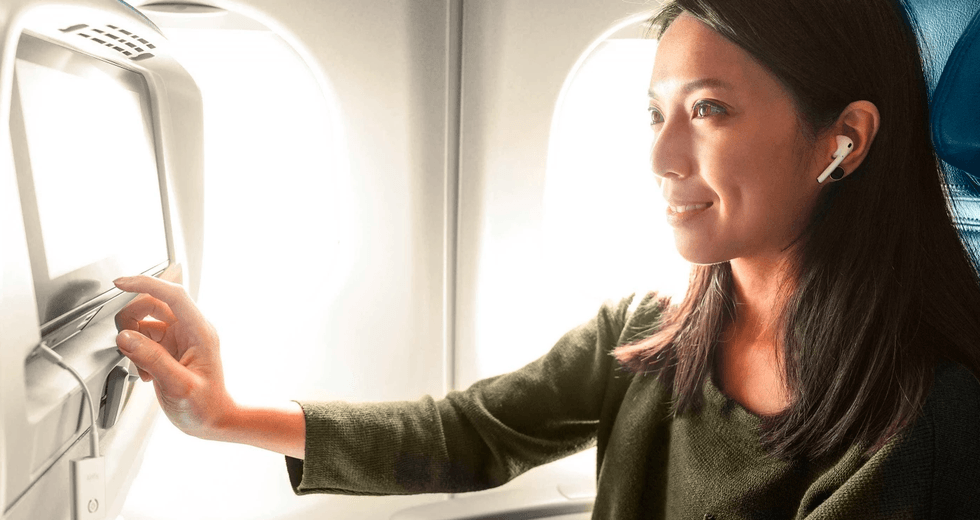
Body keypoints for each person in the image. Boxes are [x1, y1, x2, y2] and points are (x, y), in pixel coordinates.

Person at [113, 0, 980, 517]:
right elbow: (468, 436)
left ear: (846, 139)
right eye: (655, 114)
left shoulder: (922, 421)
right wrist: (222, 416)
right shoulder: (647, 336)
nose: (662, 159)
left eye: (710, 110)